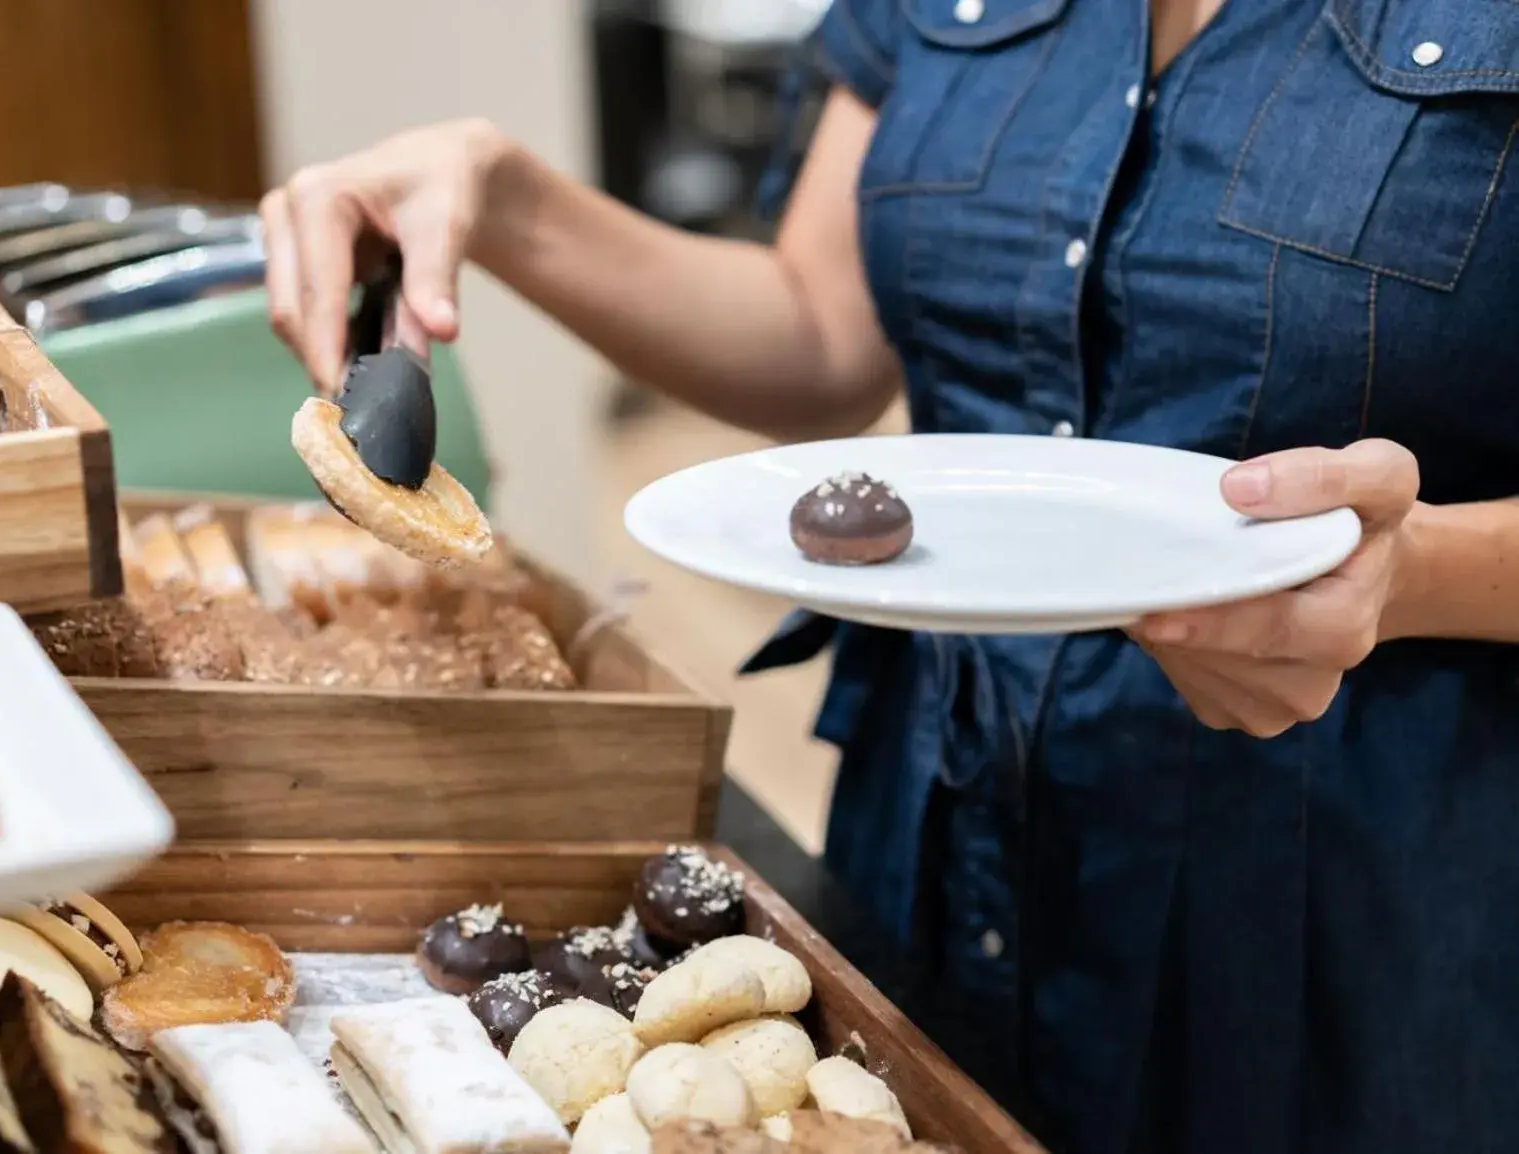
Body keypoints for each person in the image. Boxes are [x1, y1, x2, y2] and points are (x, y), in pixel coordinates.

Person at [258, 0, 1519, 1149]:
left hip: (1361, 904)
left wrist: (1412, 574)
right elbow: (820, 327)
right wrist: (505, 194)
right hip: (933, 833)